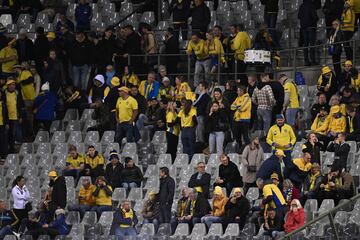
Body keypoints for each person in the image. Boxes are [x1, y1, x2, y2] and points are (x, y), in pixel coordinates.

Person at [13, 62, 35, 140]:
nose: (15, 70)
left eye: (16, 68)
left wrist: (22, 82)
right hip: (24, 99)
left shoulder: (25, 72)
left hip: (30, 97)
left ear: (19, 68)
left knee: (30, 117)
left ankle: (33, 133)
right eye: (14, 69)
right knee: (27, 118)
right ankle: (30, 134)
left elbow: (31, 79)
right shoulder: (18, 77)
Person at [4, 78, 24, 153]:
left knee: (13, 133)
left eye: (13, 85)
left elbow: (20, 105)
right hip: (7, 117)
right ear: (8, 86)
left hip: (15, 116)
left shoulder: (17, 93)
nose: (12, 86)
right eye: (10, 85)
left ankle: (12, 148)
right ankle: (7, 148)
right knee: (7, 133)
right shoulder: (4, 93)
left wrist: (21, 116)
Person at [298, 0, 319, 66]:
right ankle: (312, 61)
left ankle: (306, 61)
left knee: (305, 45)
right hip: (311, 27)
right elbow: (314, 16)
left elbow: (299, 16)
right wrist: (317, 18)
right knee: (312, 45)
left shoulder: (301, 6)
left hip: (304, 27)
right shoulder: (312, 5)